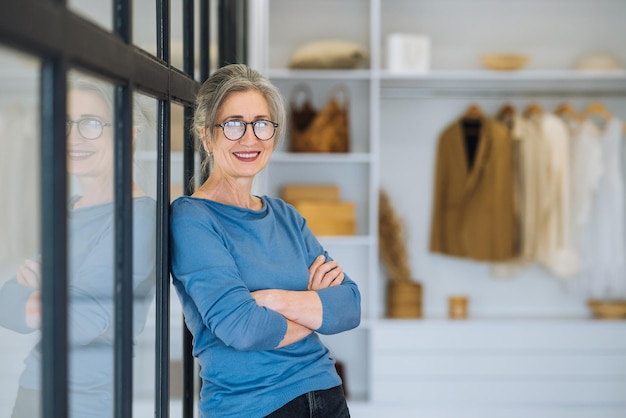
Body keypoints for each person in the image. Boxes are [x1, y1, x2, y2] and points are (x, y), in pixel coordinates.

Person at [169, 63, 361, 417]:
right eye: (232, 124)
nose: (249, 138)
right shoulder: (191, 218)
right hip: (251, 406)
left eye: (261, 124)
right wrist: (313, 304)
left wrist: (271, 299)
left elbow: (349, 306)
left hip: (327, 395)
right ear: (206, 136)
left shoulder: (285, 215)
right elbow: (243, 329)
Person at [0, 73, 157, 417]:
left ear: (127, 135)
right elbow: (6, 304)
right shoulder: (69, 209)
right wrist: (53, 295)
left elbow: (82, 321)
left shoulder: (139, 219)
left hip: (87, 403)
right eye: (66, 123)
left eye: (90, 123)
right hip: (34, 389)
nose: (73, 137)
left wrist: (44, 289)